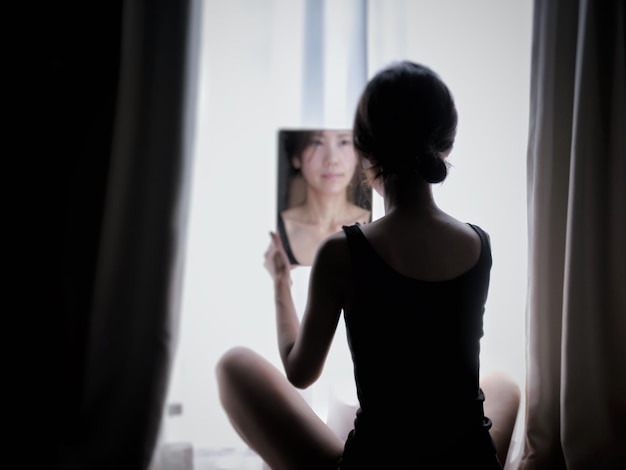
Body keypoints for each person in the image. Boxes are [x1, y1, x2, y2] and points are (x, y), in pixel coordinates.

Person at [216, 61, 518, 469]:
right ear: (444, 146)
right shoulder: (478, 244)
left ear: (362, 152)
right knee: (503, 386)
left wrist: (280, 284)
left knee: (233, 366)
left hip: (379, 461)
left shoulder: (342, 251)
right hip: (467, 461)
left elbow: (300, 371)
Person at [278, 129, 371, 266]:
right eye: (317, 142)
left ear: (357, 155)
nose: (332, 160)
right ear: (297, 157)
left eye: (344, 142)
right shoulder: (276, 228)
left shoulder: (377, 224)